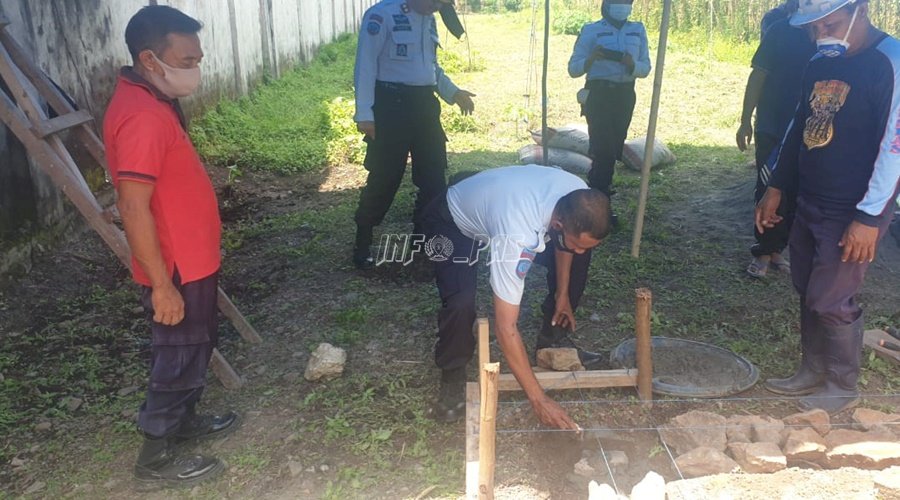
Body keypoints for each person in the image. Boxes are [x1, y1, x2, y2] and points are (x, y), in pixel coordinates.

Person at [103, 5, 239, 487]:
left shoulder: (153, 100)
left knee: (195, 345)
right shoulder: (141, 116)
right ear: (149, 59)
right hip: (176, 267)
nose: (195, 70)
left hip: (193, 259)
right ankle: (155, 458)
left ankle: (182, 423)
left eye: (197, 58)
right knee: (178, 352)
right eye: (185, 61)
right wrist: (162, 285)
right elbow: (133, 207)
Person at [756, 0, 900, 414]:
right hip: (811, 198)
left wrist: (870, 217)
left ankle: (841, 383)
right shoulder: (820, 62)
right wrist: (778, 186)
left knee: (831, 297)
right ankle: (812, 369)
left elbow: (894, 148)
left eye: (829, 25)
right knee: (806, 287)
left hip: (854, 208)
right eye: (812, 29)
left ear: (861, 10)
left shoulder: (889, 63)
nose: (820, 36)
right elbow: (798, 125)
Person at [421, 165, 612, 428]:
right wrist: (539, 400)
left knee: (578, 259)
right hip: (452, 220)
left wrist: (563, 293)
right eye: (578, 244)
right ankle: (452, 375)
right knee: (460, 301)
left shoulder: (577, 195)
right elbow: (505, 327)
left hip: (497, 209)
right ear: (557, 225)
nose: (580, 251)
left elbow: (565, 244)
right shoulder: (517, 235)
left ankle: (550, 341)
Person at [352, 0, 475, 270]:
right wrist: (364, 113)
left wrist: (453, 92)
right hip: (390, 106)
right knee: (385, 177)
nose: (437, 8)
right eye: (435, 2)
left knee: (433, 178)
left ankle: (423, 245)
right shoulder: (381, 15)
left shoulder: (429, 18)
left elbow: (430, 67)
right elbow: (365, 65)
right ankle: (363, 240)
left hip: (424, 106)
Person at [736, 13, 816, 278]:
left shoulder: (827, 36)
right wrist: (745, 120)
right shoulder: (779, 30)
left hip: (807, 129)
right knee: (767, 186)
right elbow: (758, 75)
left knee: (794, 190)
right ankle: (762, 251)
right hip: (771, 124)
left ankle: (777, 249)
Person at [567, 0, 651, 206]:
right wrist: (592, 59)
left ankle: (598, 191)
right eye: (618, 2)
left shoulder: (637, 30)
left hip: (624, 96)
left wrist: (632, 65)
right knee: (603, 148)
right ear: (607, 5)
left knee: (613, 149)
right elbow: (573, 69)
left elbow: (646, 68)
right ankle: (598, 197)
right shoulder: (591, 30)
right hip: (599, 95)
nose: (623, 6)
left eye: (627, 3)